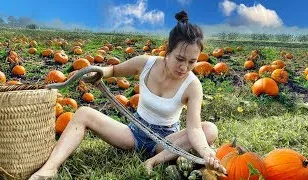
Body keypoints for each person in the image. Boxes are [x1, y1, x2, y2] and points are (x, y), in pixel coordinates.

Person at [29, 10, 226, 179]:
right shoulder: (146, 63)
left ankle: (154, 161)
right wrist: (99, 72)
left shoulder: (193, 85)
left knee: (209, 129)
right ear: (167, 50)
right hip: (133, 134)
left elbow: (194, 129)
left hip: (166, 143)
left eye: (192, 62)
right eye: (180, 59)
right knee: (82, 113)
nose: (184, 67)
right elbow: (113, 71)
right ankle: (49, 168)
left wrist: (207, 153)